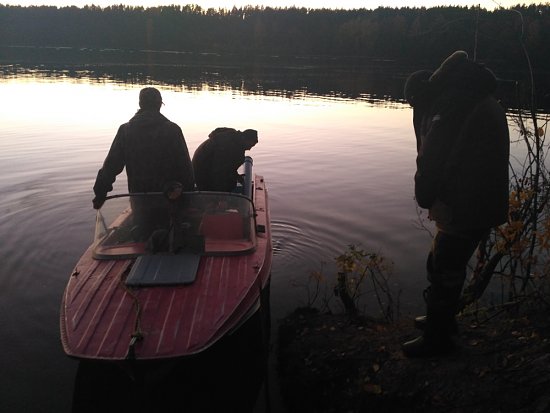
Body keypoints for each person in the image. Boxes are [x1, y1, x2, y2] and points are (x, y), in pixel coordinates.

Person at [402, 51, 510, 357]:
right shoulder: (471, 96)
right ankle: (442, 321)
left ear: (420, 96)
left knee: (444, 268)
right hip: (480, 200)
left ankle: (438, 340)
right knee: (444, 263)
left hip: (465, 203)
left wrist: (425, 194)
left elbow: (435, 157)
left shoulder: (450, 107)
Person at [92, 87, 195, 209]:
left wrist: (100, 193)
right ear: (159, 105)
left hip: (138, 200)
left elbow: (110, 167)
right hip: (169, 199)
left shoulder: (125, 130)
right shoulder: (173, 130)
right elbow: (185, 168)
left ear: (140, 104)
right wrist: (189, 195)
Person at [192, 127, 258, 192]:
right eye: (250, 145)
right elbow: (219, 169)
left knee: (230, 183)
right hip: (202, 173)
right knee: (228, 185)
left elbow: (227, 167)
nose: (249, 149)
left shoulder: (232, 140)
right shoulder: (228, 145)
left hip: (203, 169)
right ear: (245, 139)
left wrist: (236, 177)